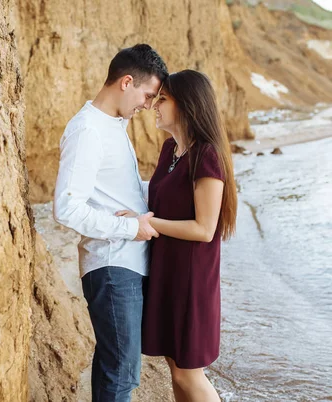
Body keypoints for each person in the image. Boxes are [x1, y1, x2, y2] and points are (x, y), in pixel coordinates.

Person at [53, 44, 168, 401]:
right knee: (121, 373)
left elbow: (118, 194)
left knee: (114, 366)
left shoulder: (113, 125)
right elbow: (67, 208)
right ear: (127, 82)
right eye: (147, 95)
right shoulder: (88, 129)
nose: (148, 105)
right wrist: (131, 228)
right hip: (111, 264)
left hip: (124, 263)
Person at [117, 70, 238, 401]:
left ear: (186, 106)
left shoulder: (206, 155)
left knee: (188, 372)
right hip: (167, 274)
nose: (155, 105)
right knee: (176, 366)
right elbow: (157, 198)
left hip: (191, 279)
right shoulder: (171, 149)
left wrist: (147, 223)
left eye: (164, 99)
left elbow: (205, 228)